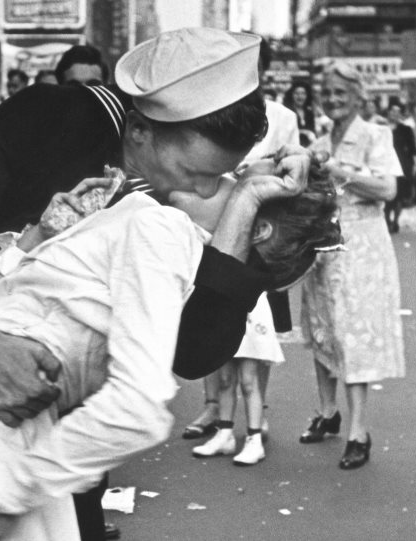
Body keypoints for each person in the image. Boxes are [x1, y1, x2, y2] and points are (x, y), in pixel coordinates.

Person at [0, 27, 313, 541]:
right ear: (140, 129)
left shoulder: (182, 205)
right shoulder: (55, 118)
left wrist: (254, 203)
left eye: (224, 176)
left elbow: (193, 352)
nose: (206, 189)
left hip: (59, 450)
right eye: (196, 171)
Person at [0, 163, 340, 541]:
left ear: (253, 224)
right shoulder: (147, 218)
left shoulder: (167, 234)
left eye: (234, 180)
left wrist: (4, 493)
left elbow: (144, 398)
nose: (218, 173)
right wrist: (40, 237)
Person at [181, 37, 299, 446]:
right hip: (212, 224)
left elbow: (289, 174)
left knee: (257, 334)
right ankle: (214, 406)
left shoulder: (282, 117)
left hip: (260, 233)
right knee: (208, 312)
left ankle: (256, 414)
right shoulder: (206, 112)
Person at [298, 62, 405, 470]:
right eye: (327, 92)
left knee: (354, 333)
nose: (333, 99)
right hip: (323, 245)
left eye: (341, 92)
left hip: (362, 246)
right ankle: (328, 412)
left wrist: (336, 171)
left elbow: (387, 188)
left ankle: (359, 431)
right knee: (323, 328)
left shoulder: (376, 135)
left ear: (359, 96)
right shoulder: (319, 141)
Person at [384, 103, 416, 232]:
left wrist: (415, 165)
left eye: (398, 112)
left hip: (402, 165)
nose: (395, 114)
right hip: (384, 164)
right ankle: (387, 219)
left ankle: (396, 221)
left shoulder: (406, 129)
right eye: (393, 111)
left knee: (399, 195)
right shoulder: (381, 128)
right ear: (388, 112)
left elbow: (412, 149)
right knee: (387, 195)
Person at [283, 81, 317, 147]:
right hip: (292, 146)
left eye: (303, 93)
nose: (300, 96)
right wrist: (305, 132)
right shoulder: (287, 112)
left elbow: (313, 132)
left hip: (308, 147)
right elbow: (285, 132)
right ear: (291, 95)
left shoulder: (309, 112)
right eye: (296, 93)